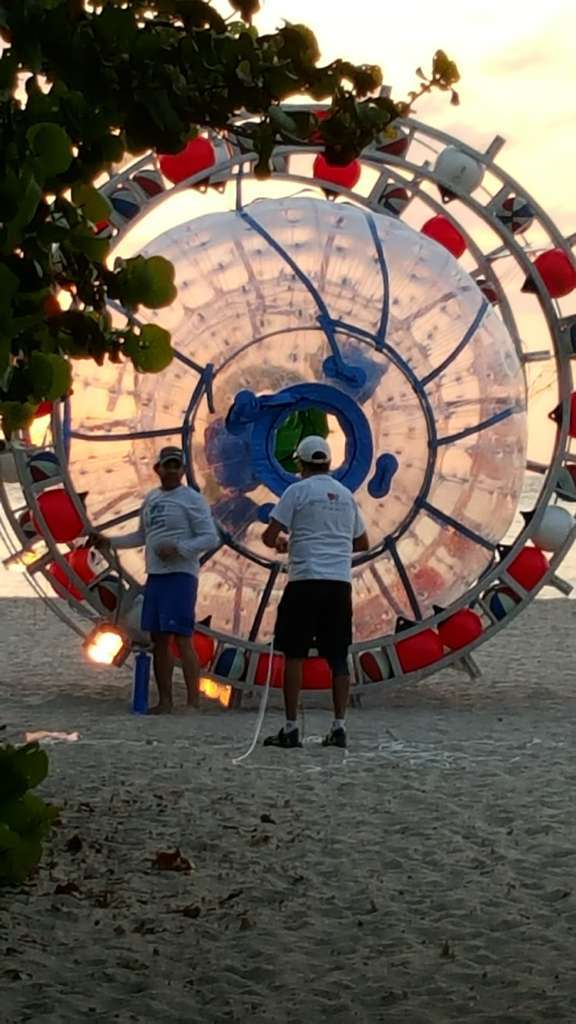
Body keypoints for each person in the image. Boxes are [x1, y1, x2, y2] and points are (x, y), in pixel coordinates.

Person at [261, 435, 369, 749]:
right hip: (338, 583)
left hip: (305, 580)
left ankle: (291, 728)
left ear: (301, 464)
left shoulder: (296, 492)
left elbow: (269, 536)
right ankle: (339, 726)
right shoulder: (346, 496)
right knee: (338, 657)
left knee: (294, 654)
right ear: (329, 463)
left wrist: (285, 543)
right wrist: (334, 544)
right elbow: (362, 543)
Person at [92, 447, 219, 714]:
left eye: (176, 466)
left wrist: (179, 549)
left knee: (182, 638)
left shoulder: (192, 499)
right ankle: (165, 702)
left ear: (183, 470)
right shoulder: (151, 498)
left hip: (181, 576)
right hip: (156, 576)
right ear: (157, 469)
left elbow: (210, 537)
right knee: (158, 640)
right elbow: (142, 536)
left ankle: (193, 703)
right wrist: (110, 542)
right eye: (167, 465)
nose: (172, 470)